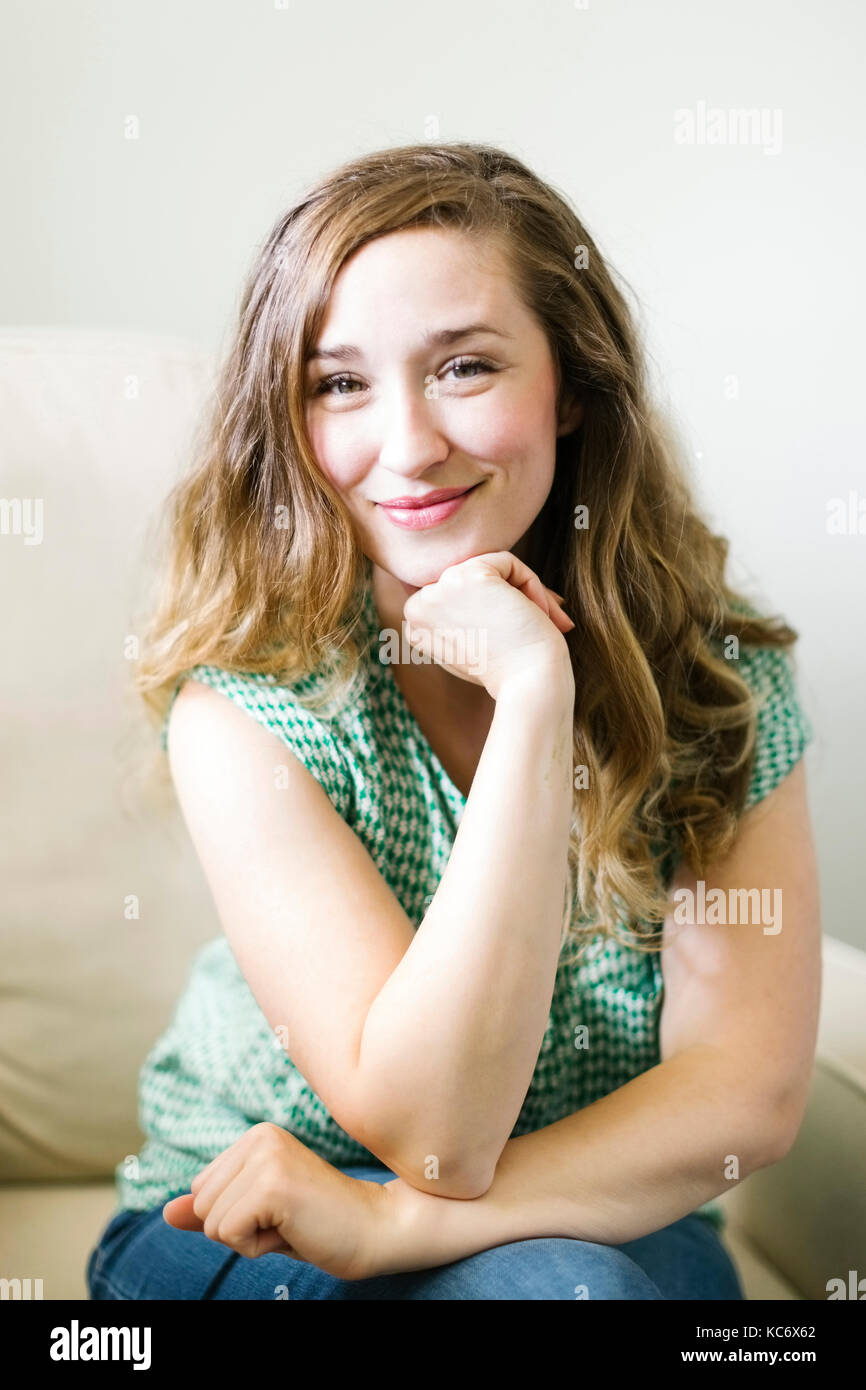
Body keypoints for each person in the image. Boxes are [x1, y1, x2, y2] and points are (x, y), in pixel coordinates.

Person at [86, 142, 819, 1300]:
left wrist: (536, 688)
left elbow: (744, 1097)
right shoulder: (248, 706)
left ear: (571, 383)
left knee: (570, 1291)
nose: (409, 444)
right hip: (254, 1198)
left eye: (465, 366)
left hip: (595, 1206)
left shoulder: (714, 679)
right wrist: (536, 713)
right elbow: (435, 1132)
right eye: (338, 385)